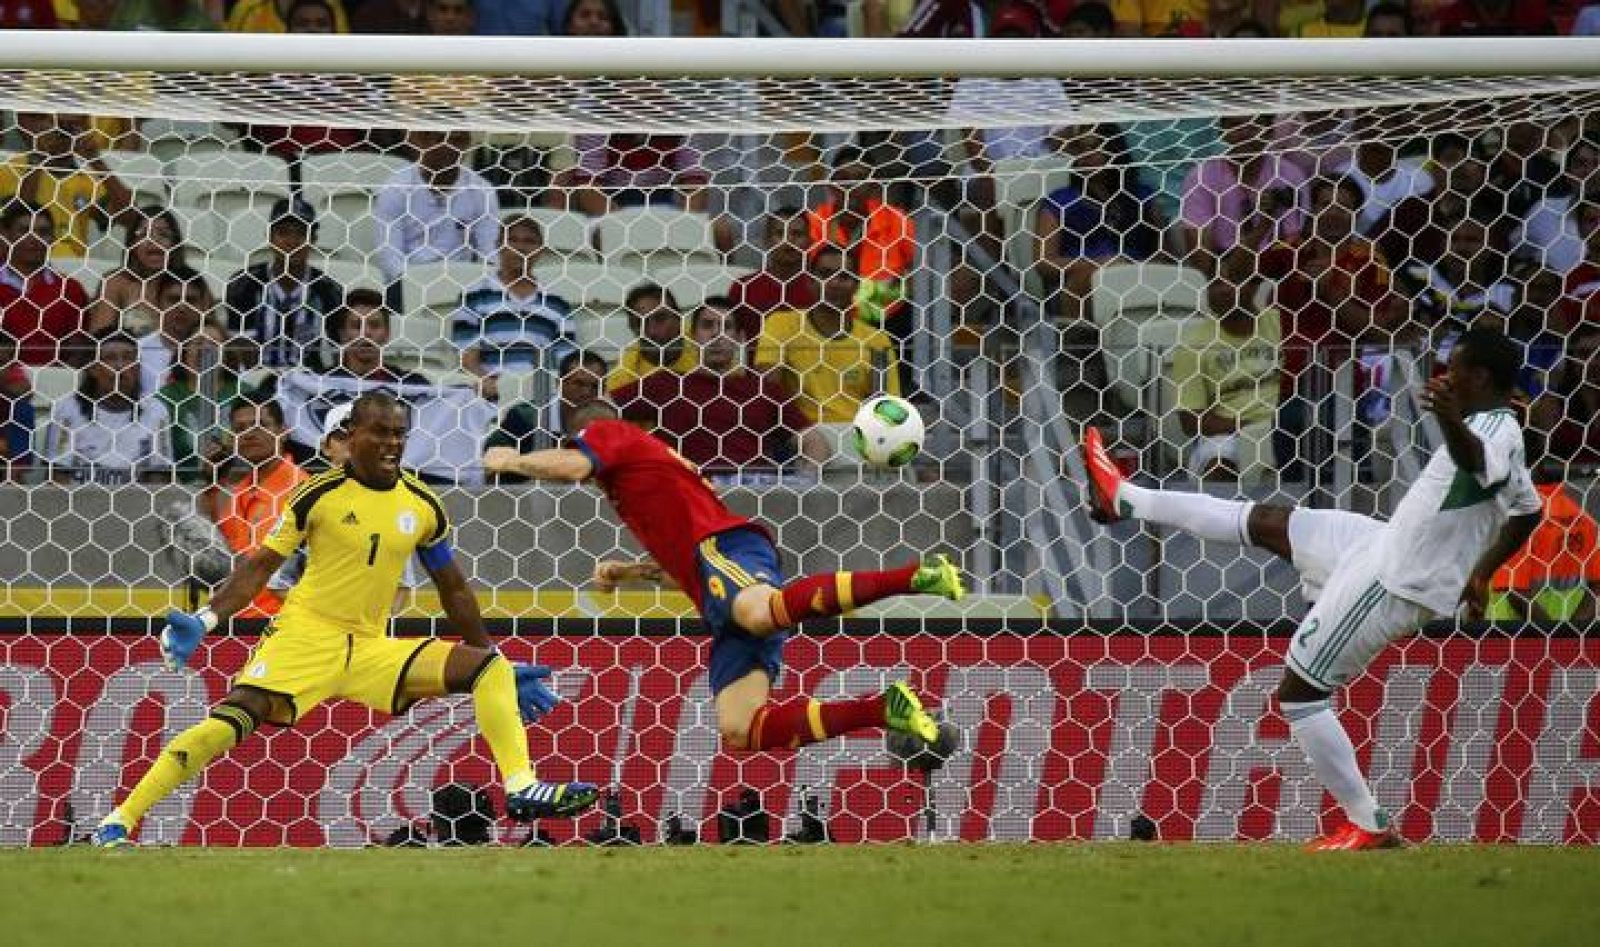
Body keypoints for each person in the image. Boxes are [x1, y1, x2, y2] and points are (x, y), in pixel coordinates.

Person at [1081, 327, 1540, 850]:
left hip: (1394, 578)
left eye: (1454, 367)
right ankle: (1127, 498)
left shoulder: (1494, 432)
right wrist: (1482, 573)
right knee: (1270, 521)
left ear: (1480, 377)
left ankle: (1368, 823)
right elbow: (1529, 511)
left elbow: (1477, 463)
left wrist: (1450, 421)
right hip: (1378, 544)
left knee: (1301, 692)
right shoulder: (1498, 425)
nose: (1444, 376)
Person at [92, 391, 598, 847]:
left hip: (372, 647)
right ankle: (120, 819)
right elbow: (260, 566)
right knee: (228, 723)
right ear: (349, 436)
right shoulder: (317, 494)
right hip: (305, 637)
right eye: (379, 432)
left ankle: (522, 785)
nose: (391, 442)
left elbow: (453, 588)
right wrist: (205, 620)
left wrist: (494, 658)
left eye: (399, 433)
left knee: (486, 670)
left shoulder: (422, 503)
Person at [482, 402, 965, 757]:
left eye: (580, 440)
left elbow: (574, 466)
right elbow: (692, 579)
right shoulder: (648, 480)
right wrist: (630, 573)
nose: (581, 449)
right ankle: (881, 709)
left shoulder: (613, 433)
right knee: (742, 732)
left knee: (758, 612)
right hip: (719, 590)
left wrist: (510, 461)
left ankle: (917, 576)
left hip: (729, 548)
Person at [612, 299, 827, 478]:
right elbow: (600, 408)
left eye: (726, 327)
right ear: (693, 337)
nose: (716, 334)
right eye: (707, 325)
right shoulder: (665, 384)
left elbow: (814, 440)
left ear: (740, 338)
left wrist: (803, 483)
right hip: (689, 490)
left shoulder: (763, 389)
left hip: (755, 492)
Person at [753, 243, 901, 424]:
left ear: (857, 286)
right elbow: (768, 389)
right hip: (801, 435)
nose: (834, 283)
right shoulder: (782, 323)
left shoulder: (876, 339)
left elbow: (885, 406)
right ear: (809, 281)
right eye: (825, 274)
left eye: (844, 276)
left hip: (855, 436)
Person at [202, 395, 309, 618]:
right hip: (234, 621)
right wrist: (213, 480)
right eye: (240, 428)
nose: (249, 433)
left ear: (283, 431)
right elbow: (222, 553)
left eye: (261, 425)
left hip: (278, 622)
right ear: (231, 438)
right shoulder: (239, 489)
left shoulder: (302, 489)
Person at [452, 216, 576, 385]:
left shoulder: (557, 303)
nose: (521, 247)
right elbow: (467, 360)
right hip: (490, 392)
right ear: (498, 245)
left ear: (541, 250)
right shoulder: (475, 296)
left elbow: (565, 363)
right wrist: (491, 386)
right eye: (512, 240)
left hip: (539, 393)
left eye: (529, 241)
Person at [225, 197, 344, 372]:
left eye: (301, 234)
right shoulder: (244, 284)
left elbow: (339, 351)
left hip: (308, 381)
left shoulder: (327, 289)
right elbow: (241, 353)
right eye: (283, 233)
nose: (292, 241)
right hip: (255, 381)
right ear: (269, 237)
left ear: (313, 239)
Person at [41, 330, 174, 485]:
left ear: (138, 368)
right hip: (78, 502)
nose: (119, 366)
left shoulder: (155, 411)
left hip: (136, 504)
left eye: (128, 358)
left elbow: (159, 479)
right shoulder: (67, 409)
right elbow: (57, 479)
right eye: (110, 358)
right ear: (93, 369)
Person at [373, 129, 500, 287]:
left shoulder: (482, 189)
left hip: (463, 282)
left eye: (458, 140)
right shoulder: (395, 188)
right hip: (409, 282)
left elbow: (490, 253)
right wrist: (418, 286)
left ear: (467, 144)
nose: (450, 147)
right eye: (441, 139)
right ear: (421, 141)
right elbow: (389, 257)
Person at [0, 112, 134, 260]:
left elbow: (130, 218)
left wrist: (95, 160)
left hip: (74, 265)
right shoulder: (10, 169)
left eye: (70, 127)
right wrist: (38, 157)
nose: (62, 133)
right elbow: (18, 219)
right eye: (56, 125)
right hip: (24, 259)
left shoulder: (88, 177)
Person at [485, 349, 608, 478]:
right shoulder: (524, 418)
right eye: (578, 384)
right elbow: (494, 458)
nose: (587, 392)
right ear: (559, 383)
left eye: (595, 386)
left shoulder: (608, 422)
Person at [0, 198, 90, 366]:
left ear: (53, 239)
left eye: (43, 232)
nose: (34, 238)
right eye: (24, 230)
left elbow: (79, 350)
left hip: (55, 384)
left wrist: (50, 382)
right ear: (6, 235)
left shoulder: (70, 289)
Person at [87, 207, 187, 337]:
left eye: (163, 234)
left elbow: (209, 334)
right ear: (132, 245)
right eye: (143, 234)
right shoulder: (115, 283)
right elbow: (100, 339)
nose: (153, 240)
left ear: (175, 245)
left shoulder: (190, 285)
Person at [606, 283, 694, 394]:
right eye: (640, 323)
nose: (651, 331)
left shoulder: (704, 341)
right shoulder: (623, 379)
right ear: (632, 328)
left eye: (660, 318)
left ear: (679, 318)